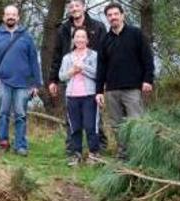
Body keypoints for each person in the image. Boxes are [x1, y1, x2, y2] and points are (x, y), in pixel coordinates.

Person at [95, 2, 155, 161]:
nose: (113, 17)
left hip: (133, 88)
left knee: (136, 123)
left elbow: (147, 58)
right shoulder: (105, 40)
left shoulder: (135, 34)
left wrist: (148, 80)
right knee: (117, 125)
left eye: (116, 14)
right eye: (109, 15)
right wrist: (99, 91)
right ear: (107, 18)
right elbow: (100, 67)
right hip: (112, 90)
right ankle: (123, 155)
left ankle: (140, 155)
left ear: (123, 15)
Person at [0, 5, 42, 155]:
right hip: (2, 82)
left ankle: (20, 145)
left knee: (21, 115)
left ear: (18, 17)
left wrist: (36, 83)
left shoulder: (26, 36)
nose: (11, 17)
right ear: (3, 17)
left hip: (23, 83)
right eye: (8, 14)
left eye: (13, 15)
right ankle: (3, 143)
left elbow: (34, 61)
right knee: (2, 114)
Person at [48, 0, 108, 151]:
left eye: (77, 6)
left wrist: (104, 79)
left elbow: (105, 55)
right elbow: (56, 55)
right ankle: (73, 149)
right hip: (70, 80)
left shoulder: (97, 26)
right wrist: (53, 80)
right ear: (69, 9)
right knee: (72, 120)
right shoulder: (63, 29)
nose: (75, 9)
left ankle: (98, 148)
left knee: (93, 119)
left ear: (84, 7)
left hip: (92, 82)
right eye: (71, 6)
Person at [58, 28, 102, 166]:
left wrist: (83, 67)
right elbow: (61, 76)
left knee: (90, 126)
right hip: (72, 96)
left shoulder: (94, 55)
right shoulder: (67, 57)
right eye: (77, 37)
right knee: (74, 127)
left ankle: (94, 154)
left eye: (83, 37)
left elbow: (98, 74)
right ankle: (76, 155)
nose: (80, 40)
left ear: (87, 39)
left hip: (89, 96)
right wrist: (72, 71)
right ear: (73, 39)